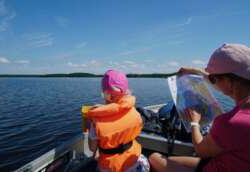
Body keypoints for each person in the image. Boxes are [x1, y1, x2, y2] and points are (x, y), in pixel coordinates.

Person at [149, 43, 250, 172]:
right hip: (229, 161)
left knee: (154, 157)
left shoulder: (230, 122)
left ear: (230, 82)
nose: (213, 82)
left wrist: (194, 122)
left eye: (214, 79)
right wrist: (194, 71)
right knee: (173, 160)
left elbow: (201, 150)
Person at [87, 69, 150, 172]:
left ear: (105, 93)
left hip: (111, 167)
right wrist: (105, 109)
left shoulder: (96, 122)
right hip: (136, 161)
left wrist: (90, 125)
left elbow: (92, 148)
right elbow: (118, 110)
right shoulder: (133, 111)